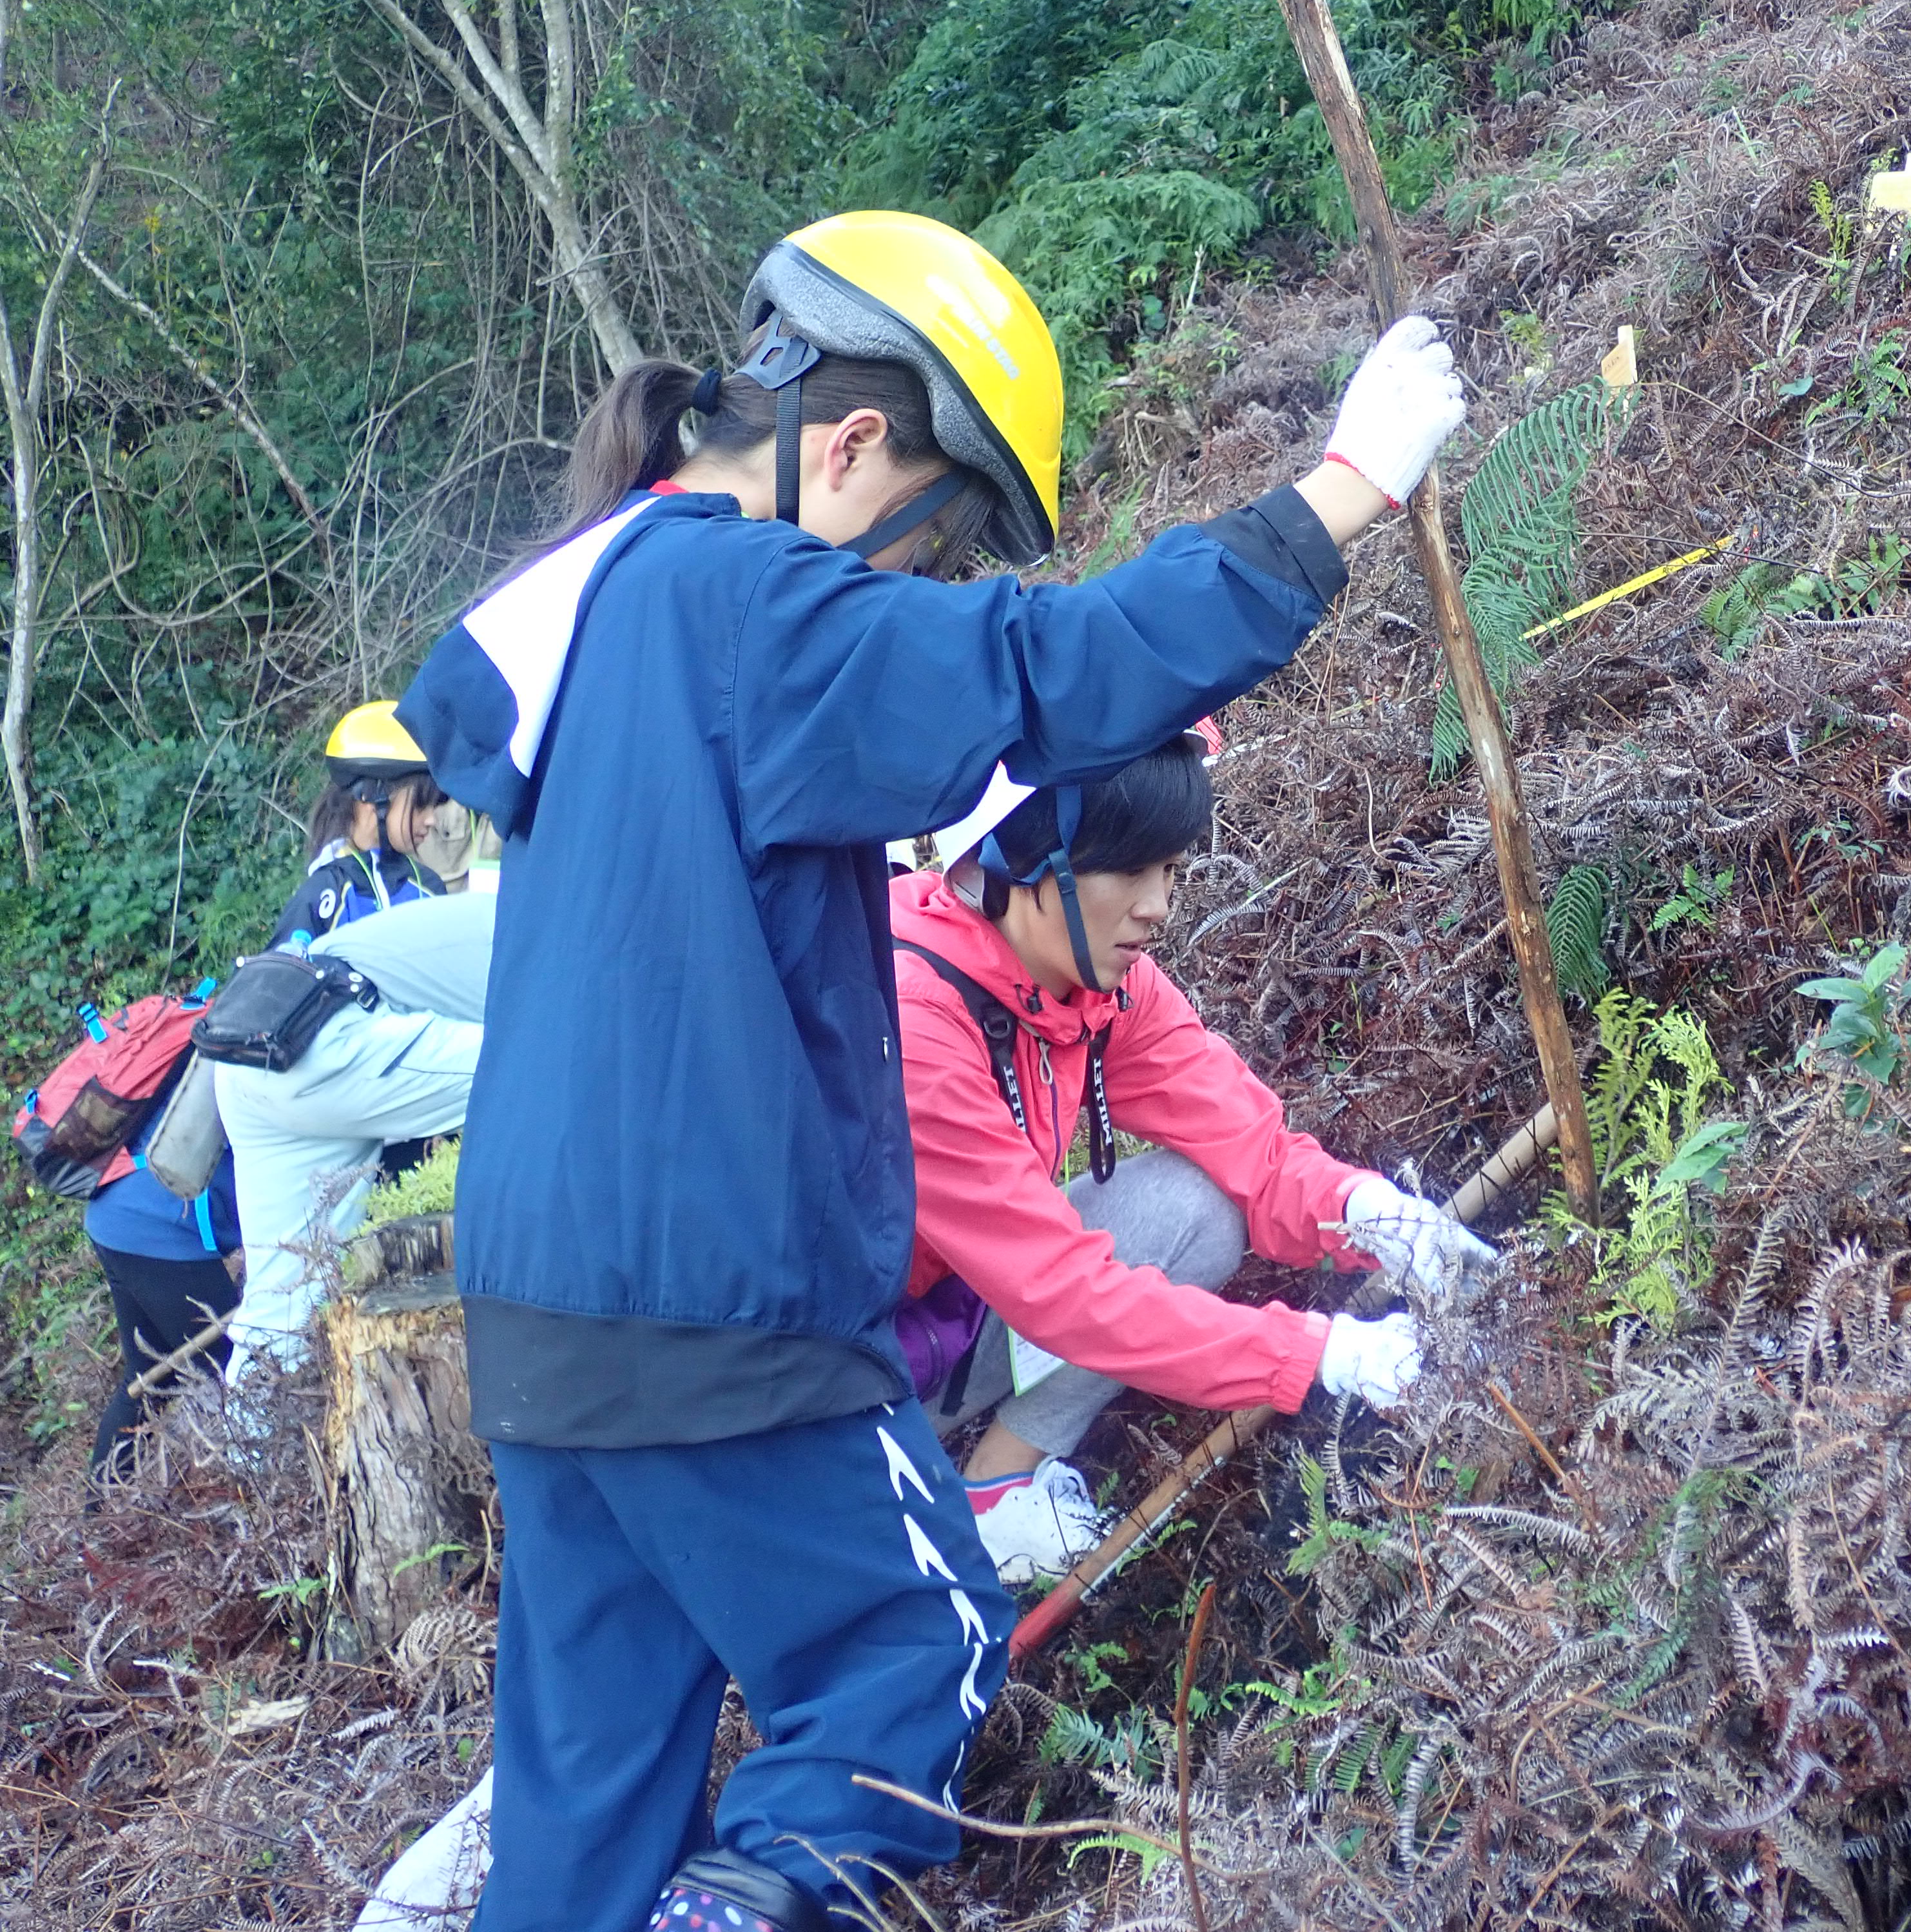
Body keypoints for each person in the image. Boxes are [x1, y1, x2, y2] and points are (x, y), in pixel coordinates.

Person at [390, 206, 1463, 1932]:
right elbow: (1050, 669)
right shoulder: (745, 600)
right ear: (851, 443)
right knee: (920, 1641)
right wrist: (1339, 494)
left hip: (540, 1317)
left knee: (592, 1799)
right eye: (936, 536)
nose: (917, 582)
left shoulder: (605, 622)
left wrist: (1359, 1225)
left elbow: (1205, 1113)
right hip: (719, 1301)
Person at [894, 733, 1495, 1582]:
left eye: (1171, 872)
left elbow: (1251, 1150)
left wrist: (1374, 1216)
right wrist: (1320, 1355)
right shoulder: (913, 1025)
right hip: (831, 1396)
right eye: (1130, 870)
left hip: (958, 1312)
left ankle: (995, 1492)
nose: (1157, 907)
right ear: (1025, 858)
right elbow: (1065, 1295)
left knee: (1197, 1208)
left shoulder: (1096, 985)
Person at [215, 893, 494, 1371]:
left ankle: (252, 1444)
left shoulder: (524, 900)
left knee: (284, 1312)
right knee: (529, 1071)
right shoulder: (594, 943)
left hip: (252, 1040)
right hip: (326, 1040)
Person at [81, 1123, 241, 1479]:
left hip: (118, 1210)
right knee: (238, 1363)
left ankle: (98, 1518)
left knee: (152, 1378)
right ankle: (258, 1488)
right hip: (157, 1226)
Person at [271, 701, 450, 947]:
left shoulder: (429, 888)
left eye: (435, 805)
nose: (431, 819)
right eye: (421, 806)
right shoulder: (324, 895)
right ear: (371, 799)